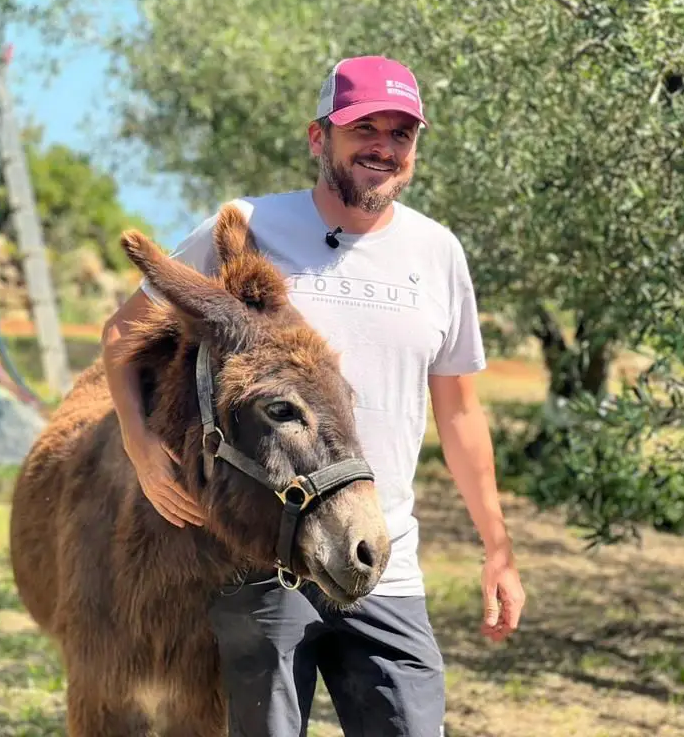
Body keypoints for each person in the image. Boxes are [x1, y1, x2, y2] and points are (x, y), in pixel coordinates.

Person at [101, 55, 526, 736]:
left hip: (381, 553)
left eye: (401, 133)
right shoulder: (246, 226)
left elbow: (461, 412)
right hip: (264, 562)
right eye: (364, 128)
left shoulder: (437, 253)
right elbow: (122, 333)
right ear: (318, 137)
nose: (383, 147)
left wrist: (497, 547)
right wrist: (139, 443)